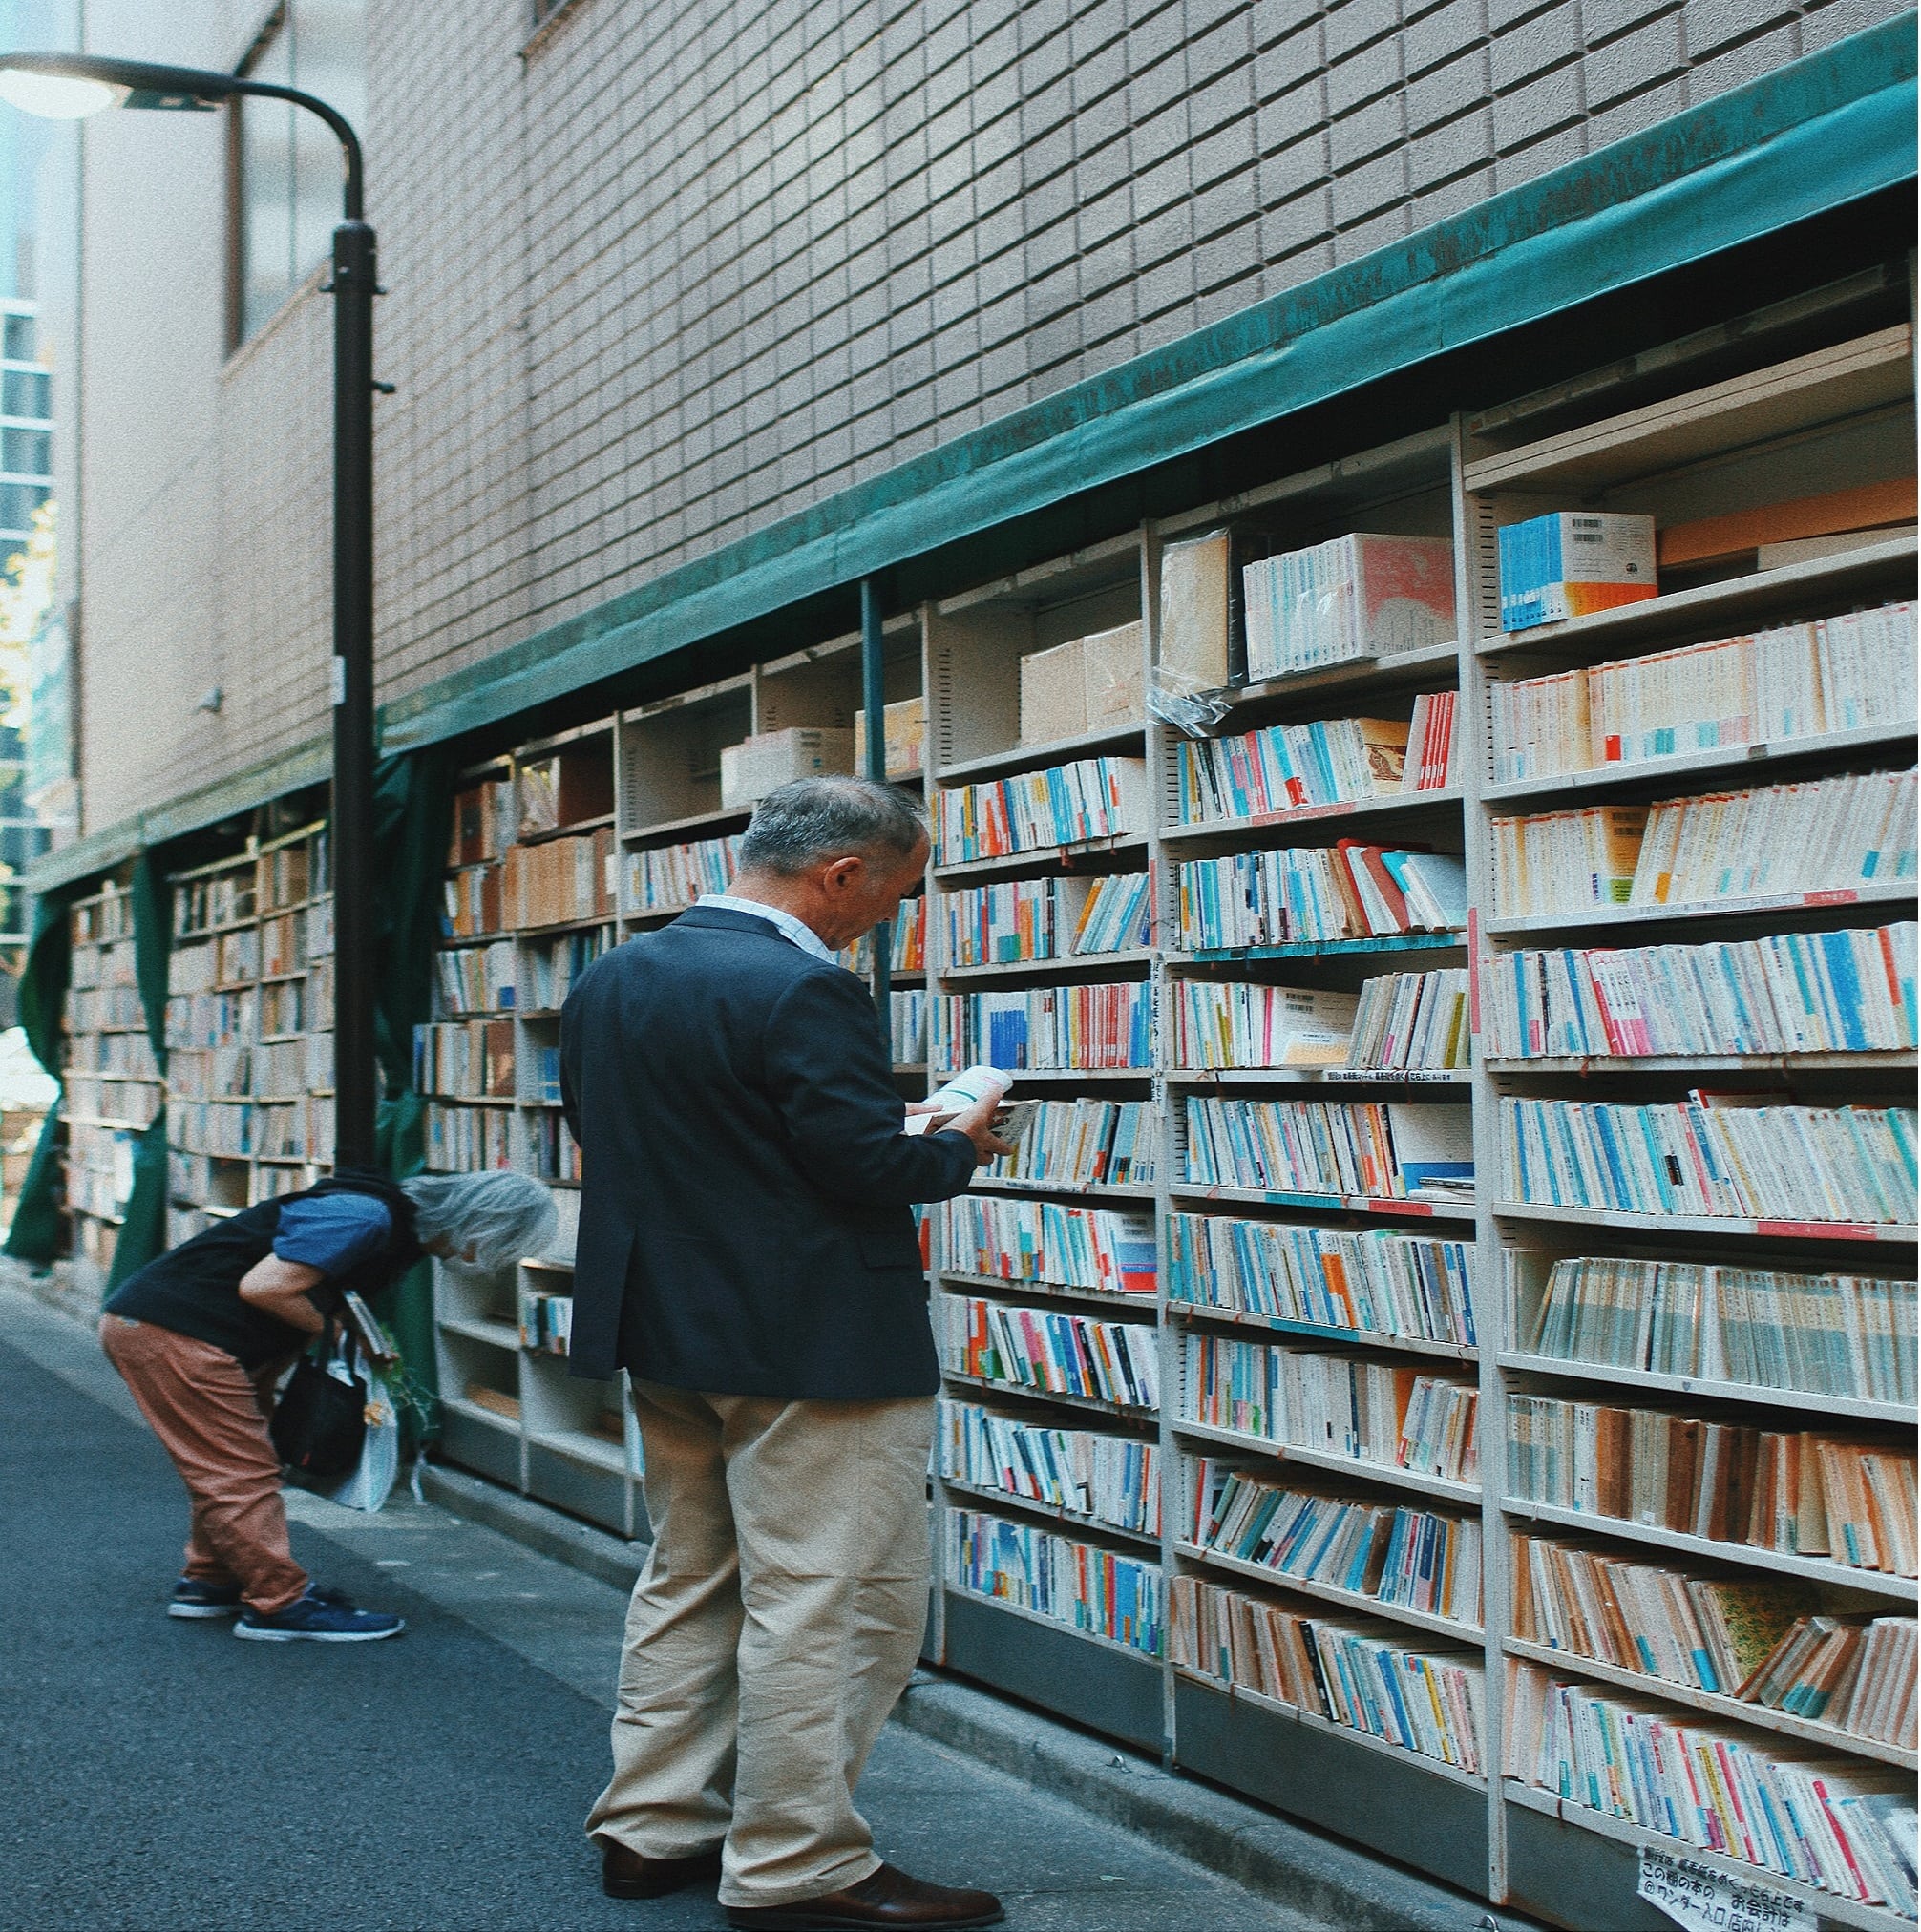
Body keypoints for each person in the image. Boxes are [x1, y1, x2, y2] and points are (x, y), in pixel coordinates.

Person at [561, 776, 1010, 1932]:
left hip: (665, 1325)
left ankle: (651, 1829)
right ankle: (795, 1861)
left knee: (689, 1573)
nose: (884, 921)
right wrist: (954, 1141)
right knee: (832, 1596)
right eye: (892, 897)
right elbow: (863, 1171)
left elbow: (666, 1143)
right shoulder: (804, 989)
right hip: (810, 1341)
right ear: (841, 874)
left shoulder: (614, 975)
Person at [100, 1166, 557, 1643]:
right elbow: (266, 1287)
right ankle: (279, 1603)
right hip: (181, 1335)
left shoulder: (385, 1223)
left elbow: (313, 1286)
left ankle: (210, 1581)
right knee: (239, 1472)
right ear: (479, 1224)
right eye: (499, 1247)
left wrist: (355, 1334)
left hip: (189, 1334)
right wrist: (332, 1332)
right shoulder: (363, 1217)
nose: (489, 1262)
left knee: (234, 1465)